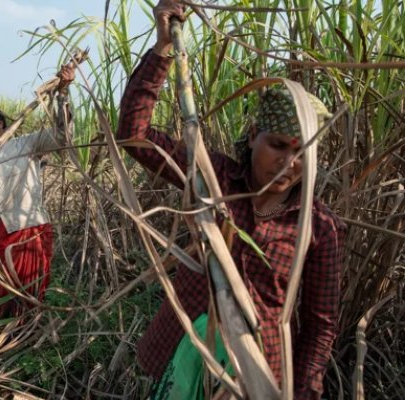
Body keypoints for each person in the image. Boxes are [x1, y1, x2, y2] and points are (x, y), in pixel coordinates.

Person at [115, 1, 346, 399]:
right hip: (184, 348)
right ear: (254, 133)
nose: (289, 164)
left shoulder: (317, 225)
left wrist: (304, 389)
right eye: (277, 145)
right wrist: (163, 47)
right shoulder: (214, 177)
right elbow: (135, 134)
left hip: (254, 372)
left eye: (302, 153)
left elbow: (320, 324)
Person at [0, 63, 76, 363]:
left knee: (28, 293)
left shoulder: (27, 145)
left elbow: (63, 136)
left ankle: (19, 348)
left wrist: (63, 93)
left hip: (31, 231)